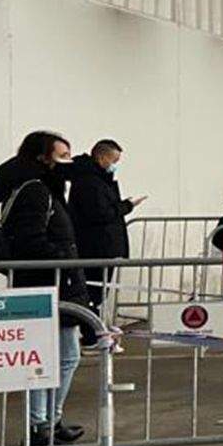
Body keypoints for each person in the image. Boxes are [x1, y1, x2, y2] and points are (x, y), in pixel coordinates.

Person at [0, 131, 91, 446]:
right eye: (61, 156)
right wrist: (64, 261)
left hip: (55, 284)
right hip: (47, 285)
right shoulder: (35, 191)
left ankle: (49, 421)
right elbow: (30, 241)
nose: (67, 163)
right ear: (42, 158)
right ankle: (40, 424)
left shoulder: (43, 188)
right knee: (52, 358)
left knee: (60, 356)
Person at [65, 138, 145, 339]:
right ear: (101, 157)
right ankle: (93, 335)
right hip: (95, 247)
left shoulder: (98, 179)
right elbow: (100, 213)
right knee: (94, 292)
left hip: (102, 245)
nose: (115, 166)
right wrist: (127, 206)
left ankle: (97, 331)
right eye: (113, 160)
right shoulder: (89, 182)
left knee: (99, 292)